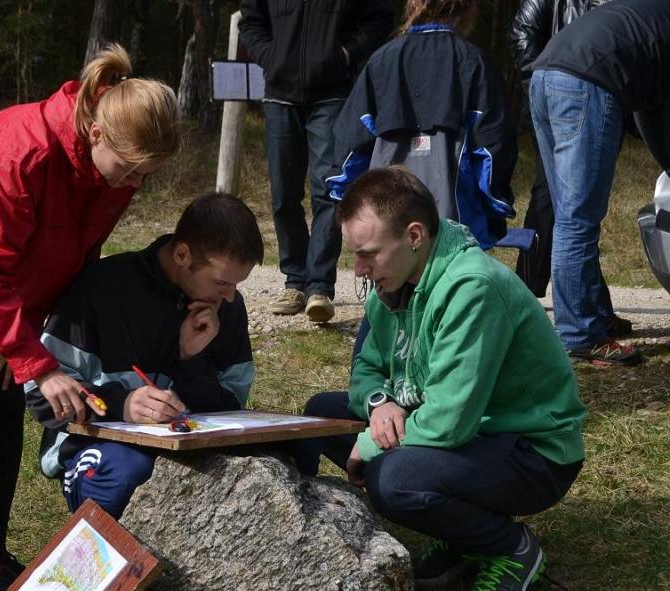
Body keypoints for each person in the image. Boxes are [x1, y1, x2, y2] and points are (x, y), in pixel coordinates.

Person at [0, 44, 180, 591]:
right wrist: (38, 364)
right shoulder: (20, 152)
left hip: (11, 268)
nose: (135, 185)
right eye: (132, 170)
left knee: (8, 409)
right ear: (97, 134)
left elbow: (71, 252)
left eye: (146, 176)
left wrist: (25, 340)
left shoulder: (113, 173)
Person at [295, 167, 586, 591]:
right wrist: (378, 404)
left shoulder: (472, 288)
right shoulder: (394, 281)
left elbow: (450, 420)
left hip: (533, 451)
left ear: (414, 235)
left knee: (393, 480)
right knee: (321, 417)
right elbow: (366, 367)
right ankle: (461, 538)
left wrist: (371, 443)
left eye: (368, 254)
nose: (358, 270)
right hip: (466, 430)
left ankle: (510, 548)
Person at [25, 193, 262, 519]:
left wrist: (191, 360)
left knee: (286, 455)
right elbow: (40, 394)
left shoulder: (225, 308)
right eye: (222, 282)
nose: (231, 295)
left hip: (186, 446)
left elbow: (230, 410)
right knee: (126, 474)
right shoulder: (104, 285)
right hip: (100, 445)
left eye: (236, 284)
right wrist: (123, 405)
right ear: (183, 254)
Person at [530, 0, 670, 366]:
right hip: (586, 83)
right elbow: (657, 115)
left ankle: (594, 314)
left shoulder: (650, 17)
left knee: (568, 212)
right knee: (578, 218)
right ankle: (580, 335)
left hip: (544, 74)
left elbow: (651, 110)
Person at [239, 0, 393, 322]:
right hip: (280, 95)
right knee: (284, 194)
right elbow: (251, 21)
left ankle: (319, 287)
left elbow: (379, 18)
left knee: (329, 190)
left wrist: (344, 55)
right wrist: (271, 58)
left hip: (333, 95)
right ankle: (294, 280)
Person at [327, 0, 516, 252]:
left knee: (392, 280)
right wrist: (494, 209)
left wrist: (347, 197)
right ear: (466, 11)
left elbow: (351, 144)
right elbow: (492, 147)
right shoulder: (471, 61)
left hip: (387, 221)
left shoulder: (382, 60)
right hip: (457, 224)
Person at [509, 0, 634, 343]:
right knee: (561, 208)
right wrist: (544, 80)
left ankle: (593, 310)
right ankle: (557, 317)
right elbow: (522, 34)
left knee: (575, 211)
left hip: (583, 95)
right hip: (570, 93)